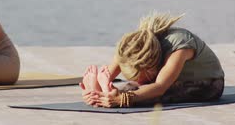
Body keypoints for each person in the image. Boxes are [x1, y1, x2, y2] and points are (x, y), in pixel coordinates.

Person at [80, 13, 224, 107]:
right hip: (161, 80)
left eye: (141, 78)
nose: (139, 81)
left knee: (144, 96)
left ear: (151, 67)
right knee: (122, 91)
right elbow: (109, 72)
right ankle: (101, 89)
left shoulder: (179, 47)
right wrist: (96, 93)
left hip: (207, 84)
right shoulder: (135, 45)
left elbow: (160, 87)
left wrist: (121, 100)